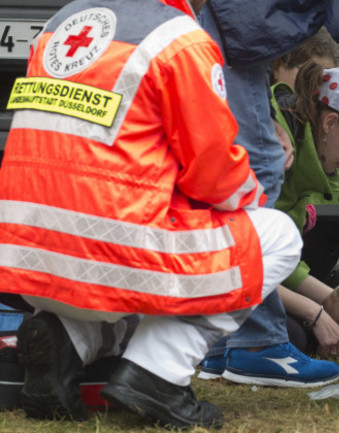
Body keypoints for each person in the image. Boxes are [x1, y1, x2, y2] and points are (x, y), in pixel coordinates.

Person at [0, 0, 302, 429]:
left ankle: (65, 340)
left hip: (27, 262)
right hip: (107, 257)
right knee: (278, 236)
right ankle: (158, 374)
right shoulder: (179, 39)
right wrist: (252, 200)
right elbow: (216, 174)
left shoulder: (60, 22)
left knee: (149, 247)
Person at [196, 1, 339, 388]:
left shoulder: (299, 149)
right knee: (259, 195)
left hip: (237, 30)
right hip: (242, 31)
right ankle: (256, 344)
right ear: (328, 123)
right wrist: (317, 309)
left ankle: (231, 345)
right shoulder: (291, 146)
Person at [270, 63, 339, 362]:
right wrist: (316, 313)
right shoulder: (276, 150)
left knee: (295, 333)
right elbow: (242, 265)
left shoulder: (298, 156)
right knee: (290, 332)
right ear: (330, 123)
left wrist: (337, 307)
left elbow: (278, 264)